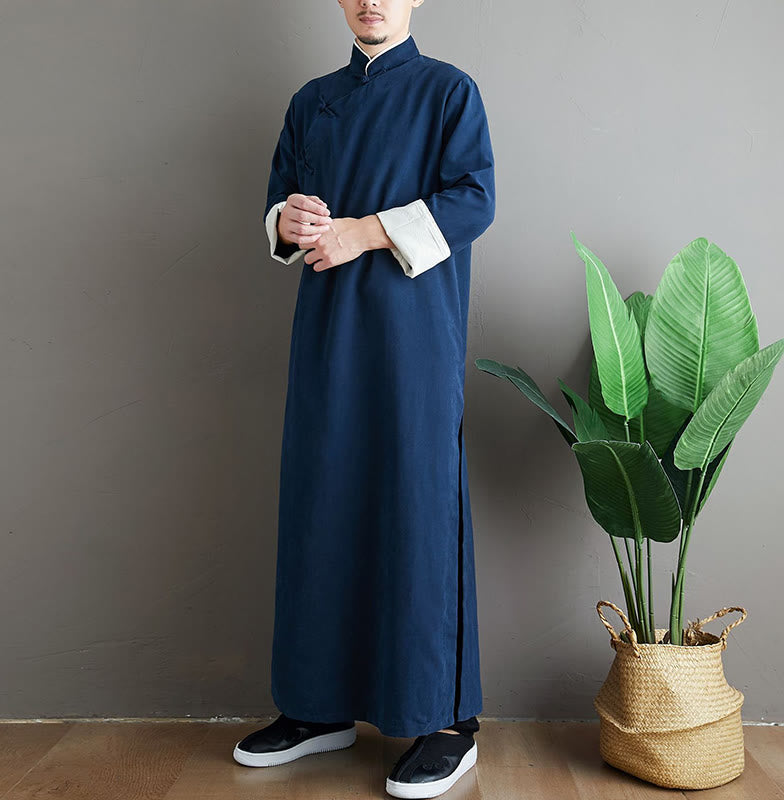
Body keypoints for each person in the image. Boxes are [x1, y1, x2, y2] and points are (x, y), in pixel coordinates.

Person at [233, 1, 495, 796]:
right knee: (323, 503)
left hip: (414, 339)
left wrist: (366, 231)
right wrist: (290, 219)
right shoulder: (312, 101)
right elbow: (279, 205)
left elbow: (474, 199)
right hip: (326, 334)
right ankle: (319, 707)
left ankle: (445, 721)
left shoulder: (450, 92)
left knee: (417, 507)